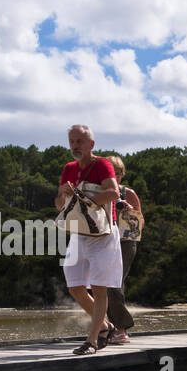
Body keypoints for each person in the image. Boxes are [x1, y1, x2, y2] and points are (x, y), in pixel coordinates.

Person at [56, 124, 122, 354]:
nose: (75, 146)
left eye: (80, 141)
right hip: (79, 233)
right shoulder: (69, 168)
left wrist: (84, 199)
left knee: (98, 287)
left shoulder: (102, 164)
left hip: (102, 234)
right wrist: (63, 193)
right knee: (74, 287)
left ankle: (92, 340)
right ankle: (105, 327)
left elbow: (114, 192)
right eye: (72, 141)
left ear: (91, 144)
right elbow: (58, 206)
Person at [104, 154, 143, 344]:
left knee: (114, 283)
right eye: (112, 173)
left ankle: (120, 329)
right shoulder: (98, 193)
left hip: (124, 243)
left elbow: (138, 225)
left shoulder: (129, 193)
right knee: (99, 285)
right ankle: (108, 327)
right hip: (101, 242)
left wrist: (127, 212)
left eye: (119, 173)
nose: (116, 177)